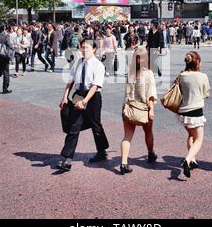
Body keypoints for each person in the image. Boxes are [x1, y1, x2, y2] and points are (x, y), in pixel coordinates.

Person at [57, 39, 109, 172]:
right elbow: (70, 81)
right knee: (73, 126)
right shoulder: (78, 62)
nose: (84, 50)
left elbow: (95, 85)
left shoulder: (98, 65)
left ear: (94, 49)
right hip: (78, 95)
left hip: (92, 98)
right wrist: (65, 97)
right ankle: (67, 159)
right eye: (82, 47)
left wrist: (85, 101)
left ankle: (102, 151)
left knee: (96, 125)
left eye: (87, 48)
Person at [120, 47, 158, 175]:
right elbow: (151, 94)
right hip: (143, 109)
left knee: (127, 136)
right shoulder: (148, 73)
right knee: (148, 132)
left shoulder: (130, 73)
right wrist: (151, 110)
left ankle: (124, 163)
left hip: (129, 107)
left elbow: (127, 92)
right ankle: (150, 153)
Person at [177, 51, 210, 178]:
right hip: (196, 110)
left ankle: (193, 160)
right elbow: (206, 93)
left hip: (183, 111)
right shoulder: (202, 76)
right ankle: (187, 160)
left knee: (191, 135)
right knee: (199, 139)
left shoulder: (182, 75)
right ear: (197, 62)